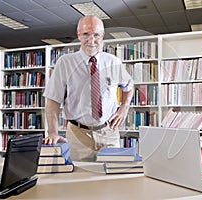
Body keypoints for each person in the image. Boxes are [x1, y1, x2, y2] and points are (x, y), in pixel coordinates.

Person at [43, 15, 134, 161]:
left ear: (103, 35)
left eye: (96, 35)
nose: (91, 40)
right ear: (78, 35)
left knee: (112, 179)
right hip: (78, 134)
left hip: (109, 133)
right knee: (78, 180)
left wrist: (124, 108)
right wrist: (52, 132)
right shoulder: (65, 63)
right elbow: (53, 101)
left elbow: (129, 86)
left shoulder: (113, 62)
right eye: (86, 34)